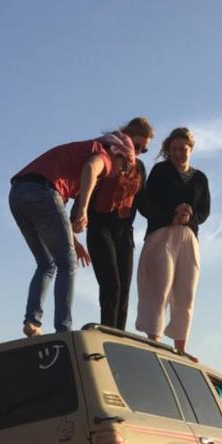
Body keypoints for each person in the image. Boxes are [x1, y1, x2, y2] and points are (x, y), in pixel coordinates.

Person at [9, 131, 137, 337]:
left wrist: (74, 242)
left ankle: (32, 321)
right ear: (118, 153)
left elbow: (57, 212)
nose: (123, 171)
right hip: (43, 191)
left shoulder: (77, 157)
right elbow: (90, 168)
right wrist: (84, 209)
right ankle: (63, 330)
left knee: (46, 263)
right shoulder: (104, 155)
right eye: (127, 165)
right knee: (67, 264)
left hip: (18, 194)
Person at [135, 126, 210, 357]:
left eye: (183, 149)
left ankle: (181, 347)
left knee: (186, 292)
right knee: (160, 288)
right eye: (174, 149)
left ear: (191, 149)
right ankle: (154, 340)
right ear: (168, 150)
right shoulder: (160, 171)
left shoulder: (199, 178)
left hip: (188, 237)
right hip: (162, 234)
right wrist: (172, 214)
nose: (178, 153)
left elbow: (204, 211)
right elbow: (146, 204)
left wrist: (189, 216)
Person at [86, 117, 155, 330]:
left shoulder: (140, 168)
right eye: (137, 146)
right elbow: (86, 190)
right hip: (100, 227)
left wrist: (170, 214)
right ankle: (108, 332)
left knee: (124, 290)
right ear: (126, 136)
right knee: (111, 285)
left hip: (124, 231)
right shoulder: (106, 156)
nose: (139, 151)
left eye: (144, 149)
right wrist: (77, 216)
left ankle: (118, 336)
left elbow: (144, 204)